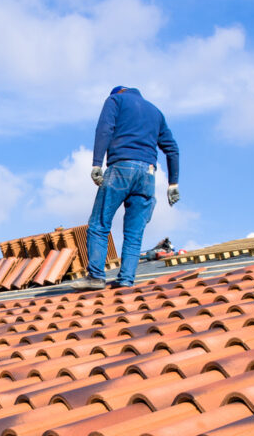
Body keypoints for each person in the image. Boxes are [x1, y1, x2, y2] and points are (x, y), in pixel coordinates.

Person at [76, 85, 179, 290]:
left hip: (121, 168)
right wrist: (173, 183)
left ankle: (96, 276)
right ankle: (126, 280)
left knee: (99, 223)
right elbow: (172, 149)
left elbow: (104, 129)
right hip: (148, 174)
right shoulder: (156, 112)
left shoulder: (115, 101)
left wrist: (96, 164)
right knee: (134, 232)